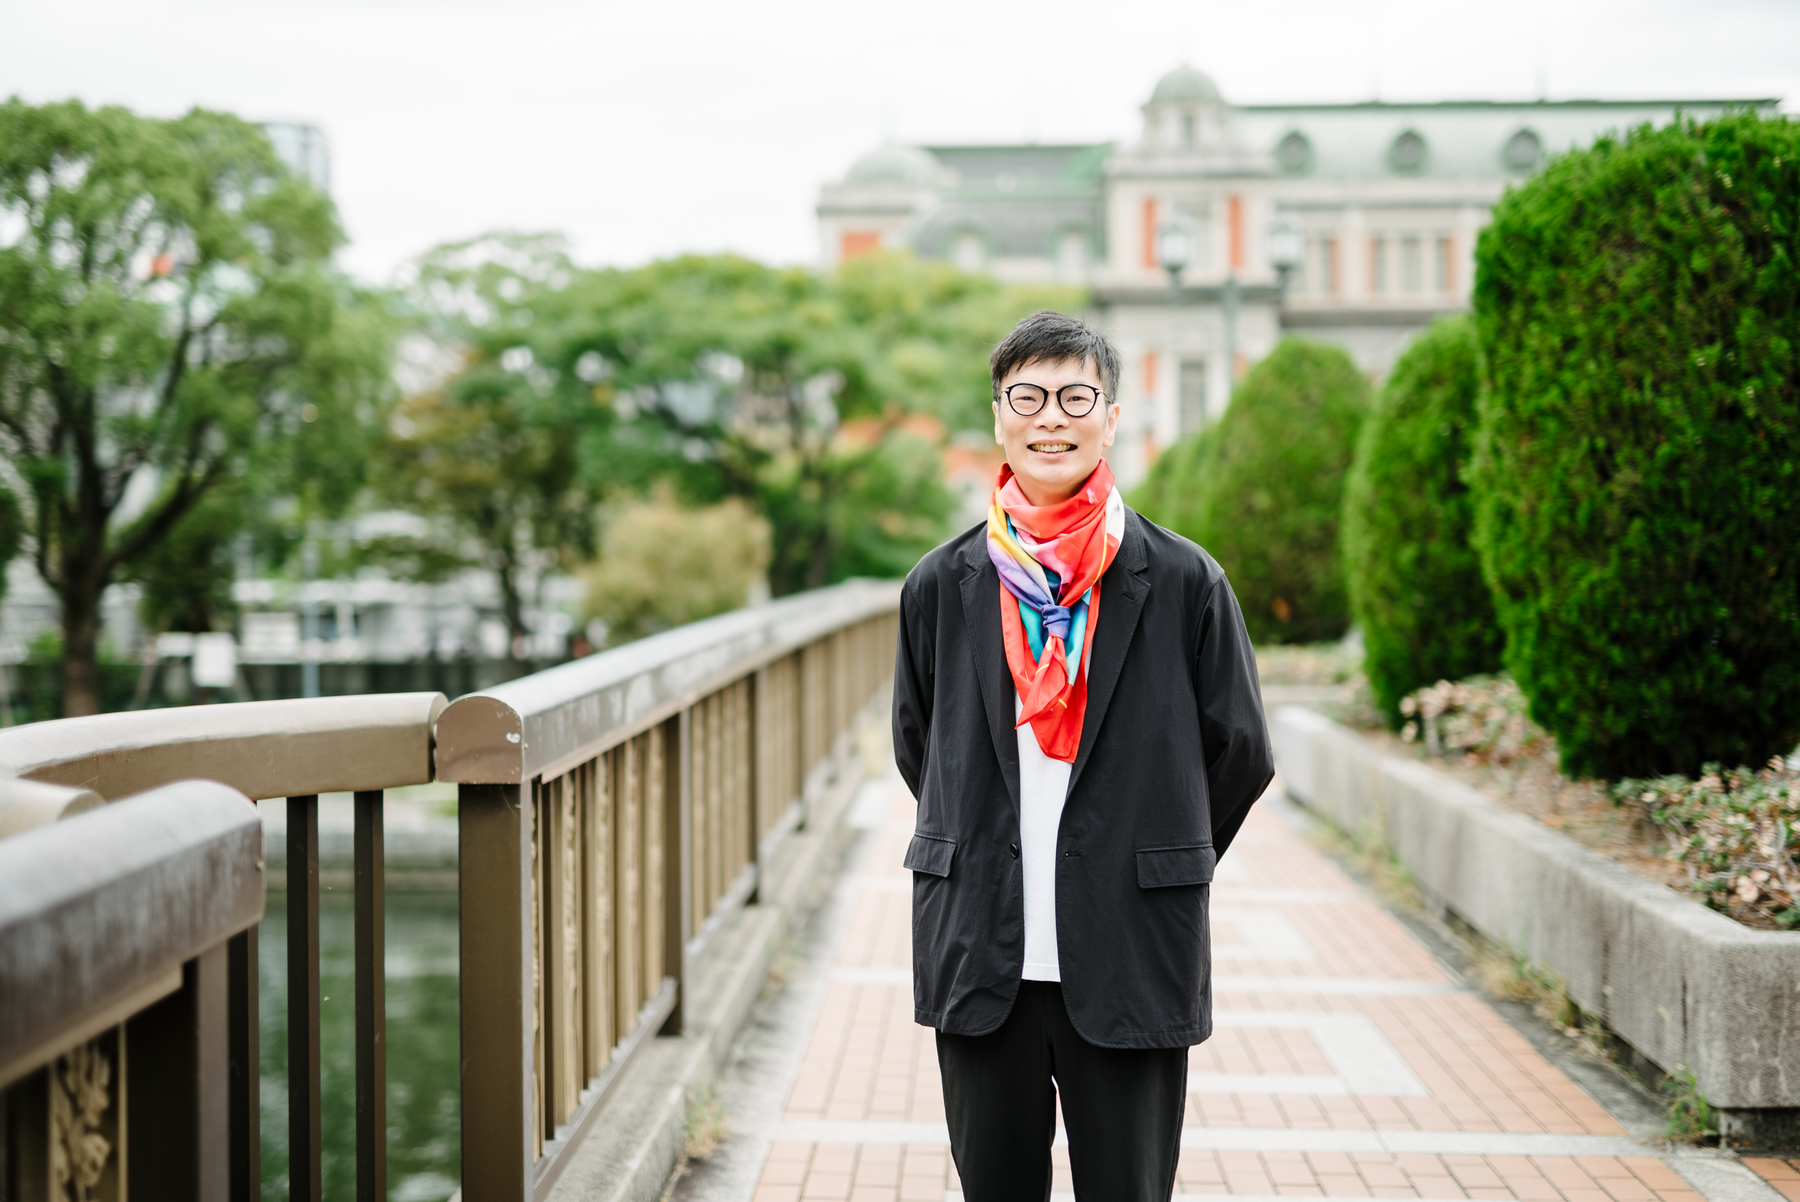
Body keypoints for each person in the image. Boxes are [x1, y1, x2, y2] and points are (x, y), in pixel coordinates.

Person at [892, 310, 1273, 1201]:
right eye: (1027, 397)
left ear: (1111, 417)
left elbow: (1241, 752)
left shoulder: (1183, 580)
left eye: (1075, 397)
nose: (1051, 419)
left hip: (1132, 949)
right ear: (998, 417)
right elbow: (920, 746)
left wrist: (1156, 853)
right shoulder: (941, 584)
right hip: (982, 950)